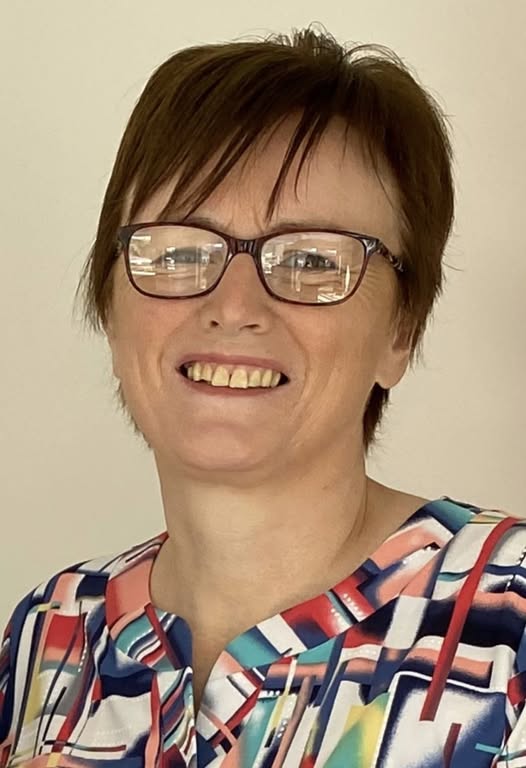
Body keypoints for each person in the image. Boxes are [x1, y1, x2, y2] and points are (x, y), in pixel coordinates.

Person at [0, 24, 523, 768]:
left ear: (400, 332)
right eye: (181, 250)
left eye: (312, 259)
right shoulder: (49, 633)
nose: (234, 305)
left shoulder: (508, 618)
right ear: (111, 313)